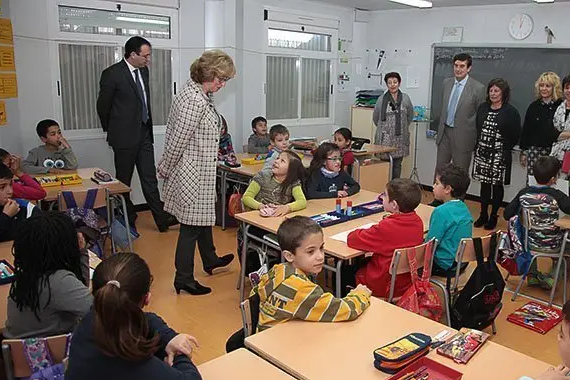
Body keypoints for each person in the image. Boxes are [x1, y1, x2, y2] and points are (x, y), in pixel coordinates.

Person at [64, 253, 204, 380]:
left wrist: (170, 338)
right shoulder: (121, 349)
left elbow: (148, 319)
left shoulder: (96, 317)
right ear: (147, 298)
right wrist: (179, 352)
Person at [158, 50, 236, 296]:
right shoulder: (194, 100)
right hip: (191, 172)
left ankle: (210, 259)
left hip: (199, 168)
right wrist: (166, 167)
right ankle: (183, 278)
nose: (222, 84)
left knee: (202, 217)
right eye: (220, 79)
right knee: (190, 227)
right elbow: (177, 139)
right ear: (209, 74)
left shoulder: (199, 92)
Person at [97, 36, 176, 232]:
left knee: (149, 179)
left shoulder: (144, 72)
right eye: (145, 55)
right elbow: (103, 107)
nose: (148, 59)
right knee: (124, 181)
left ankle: (161, 219)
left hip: (144, 133)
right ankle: (128, 218)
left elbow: (143, 101)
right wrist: (113, 130)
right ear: (132, 54)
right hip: (123, 137)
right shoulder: (112, 74)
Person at [250, 216, 372, 331]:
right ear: (289, 255)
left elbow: (255, 293)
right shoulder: (301, 289)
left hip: (266, 335)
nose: (320, 256)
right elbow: (347, 310)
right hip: (281, 345)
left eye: (321, 248)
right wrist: (361, 294)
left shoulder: (279, 270)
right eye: (311, 252)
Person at [4, 212, 92, 339]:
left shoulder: (26, 276)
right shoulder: (60, 281)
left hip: (18, 353)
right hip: (51, 354)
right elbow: (98, 313)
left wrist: (82, 252)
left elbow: (79, 286)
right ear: (66, 246)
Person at [503, 157, 570, 282]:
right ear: (553, 179)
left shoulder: (523, 193)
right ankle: (553, 276)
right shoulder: (556, 195)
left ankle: (532, 275)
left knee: (529, 234)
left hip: (527, 243)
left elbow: (506, 214)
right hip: (552, 244)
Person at [347, 178, 423, 299]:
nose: (381, 197)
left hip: (384, 284)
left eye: (385, 195)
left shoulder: (387, 227)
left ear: (394, 205)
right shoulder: (418, 221)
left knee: (345, 270)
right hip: (406, 282)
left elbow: (352, 239)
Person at [472, 78, 522, 230]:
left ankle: (494, 215)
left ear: (503, 93)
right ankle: (483, 214)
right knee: (484, 185)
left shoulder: (511, 111)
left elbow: (515, 134)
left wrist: (503, 146)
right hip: (482, 152)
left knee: (497, 186)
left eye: (497, 91)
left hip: (499, 154)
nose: (493, 94)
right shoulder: (483, 108)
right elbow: (478, 127)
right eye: (491, 90)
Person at [435, 53, 486, 172]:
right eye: (456, 65)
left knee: (460, 174)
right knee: (440, 171)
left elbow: (480, 115)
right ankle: (437, 191)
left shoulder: (478, 88)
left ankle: (457, 192)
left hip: (464, 137)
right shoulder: (446, 83)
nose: (458, 69)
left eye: (462, 66)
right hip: (444, 133)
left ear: (469, 68)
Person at [427, 164, 473, 276]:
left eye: (437, 183)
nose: (433, 186)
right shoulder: (464, 208)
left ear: (447, 189)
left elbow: (430, 244)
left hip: (443, 264)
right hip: (461, 262)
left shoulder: (440, 211)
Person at [520, 72, 562, 180]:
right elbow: (526, 131)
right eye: (541, 85)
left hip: (555, 151)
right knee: (533, 181)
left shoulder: (561, 106)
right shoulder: (534, 106)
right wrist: (524, 152)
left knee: (553, 182)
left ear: (554, 88)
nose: (544, 88)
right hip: (535, 151)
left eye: (548, 86)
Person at [373, 71, 414, 179]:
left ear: (399, 83)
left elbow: (410, 115)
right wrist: (385, 128)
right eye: (390, 82)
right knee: (385, 164)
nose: (392, 85)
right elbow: (375, 118)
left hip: (400, 137)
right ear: (387, 84)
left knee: (397, 164)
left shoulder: (405, 98)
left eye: (395, 82)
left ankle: (395, 188)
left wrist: (401, 127)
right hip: (385, 137)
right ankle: (385, 188)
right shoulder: (381, 99)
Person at [0, 163, 37, 243]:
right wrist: (5, 217)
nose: (10, 191)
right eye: (2, 187)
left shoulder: (25, 208)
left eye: (11, 185)